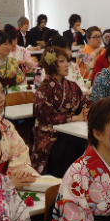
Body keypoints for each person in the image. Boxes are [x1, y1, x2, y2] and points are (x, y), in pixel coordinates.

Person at [32, 47, 88, 175]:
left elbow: (84, 102)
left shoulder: (72, 86)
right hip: (50, 134)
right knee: (71, 145)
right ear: (52, 65)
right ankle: (65, 179)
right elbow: (46, 115)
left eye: (67, 61)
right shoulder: (44, 89)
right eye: (62, 61)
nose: (67, 64)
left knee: (84, 141)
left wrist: (86, 111)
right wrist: (73, 118)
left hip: (71, 130)